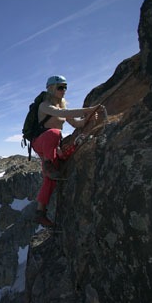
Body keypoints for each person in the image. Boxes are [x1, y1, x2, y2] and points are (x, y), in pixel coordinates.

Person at [32, 75, 99, 227]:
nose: (64, 90)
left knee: (50, 178)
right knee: (55, 132)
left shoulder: (60, 107)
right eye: (60, 87)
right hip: (41, 142)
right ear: (51, 89)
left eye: (65, 87)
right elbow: (63, 114)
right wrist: (87, 110)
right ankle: (49, 164)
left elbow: (76, 124)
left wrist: (90, 119)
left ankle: (40, 213)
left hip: (50, 145)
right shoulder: (44, 105)